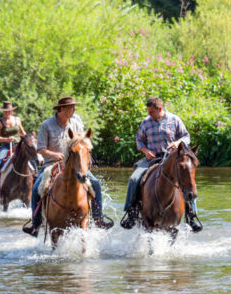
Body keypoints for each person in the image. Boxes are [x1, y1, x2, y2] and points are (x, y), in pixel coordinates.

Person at [22, 96, 114, 236]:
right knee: (36, 188)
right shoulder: (46, 125)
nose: (74, 110)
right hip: (51, 164)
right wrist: (54, 155)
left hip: (74, 164)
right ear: (63, 109)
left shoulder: (76, 123)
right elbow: (40, 149)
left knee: (95, 183)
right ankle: (35, 224)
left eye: (74, 107)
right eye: (71, 107)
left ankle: (99, 218)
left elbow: (83, 144)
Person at [119, 97, 202, 232]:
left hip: (172, 159)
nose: (149, 115)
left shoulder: (174, 119)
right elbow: (139, 140)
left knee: (188, 183)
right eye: (148, 112)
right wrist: (145, 151)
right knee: (134, 179)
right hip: (152, 159)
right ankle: (131, 213)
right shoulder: (146, 123)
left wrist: (177, 143)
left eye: (152, 112)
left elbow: (186, 136)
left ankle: (191, 216)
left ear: (160, 109)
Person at [0, 100, 27, 197]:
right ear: (3, 111)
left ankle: (33, 180)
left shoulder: (17, 120)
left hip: (18, 145)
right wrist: (6, 139)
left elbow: (22, 132)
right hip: (6, 146)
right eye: (5, 111)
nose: (7, 112)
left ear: (12, 111)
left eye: (9, 110)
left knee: (32, 161)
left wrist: (28, 139)